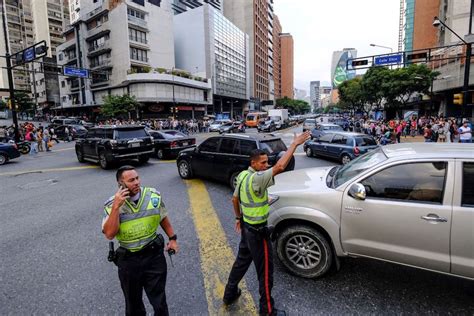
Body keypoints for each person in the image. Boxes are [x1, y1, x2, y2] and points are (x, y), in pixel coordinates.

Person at [223, 131, 311, 316]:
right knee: (265, 274)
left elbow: (235, 199)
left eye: (266, 162)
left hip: (247, 228)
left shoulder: (243, 176)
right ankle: (267, 311)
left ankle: (229, 293)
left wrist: (239, 218)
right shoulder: (258, 178)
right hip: (258, 233)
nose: (266, 165)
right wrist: (294, 144)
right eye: (262, 163)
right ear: (253, 163)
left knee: (241, 263)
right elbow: (280, 166)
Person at [102, 166, 179, 316]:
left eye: (137, 178)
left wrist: (173, 238)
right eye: (131, 180)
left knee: (160, 303)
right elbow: (110, 234)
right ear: (121, 184)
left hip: (154, 257)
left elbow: (162, 217)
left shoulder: (153, 196)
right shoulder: (111, 205)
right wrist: (116, 208)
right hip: (129, 261)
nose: (136, 182)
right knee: (133, 305)